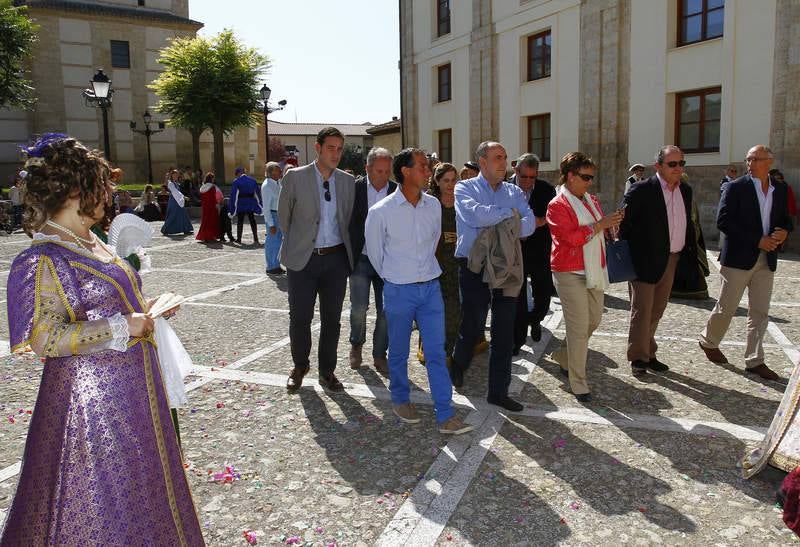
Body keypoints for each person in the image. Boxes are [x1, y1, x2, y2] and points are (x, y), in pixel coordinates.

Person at [2, 133, 203, 545]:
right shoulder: (42, 258)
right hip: (90, 402)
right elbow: (44, 338)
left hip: (135, 390)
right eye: (102, 185)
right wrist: (122, 326)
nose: (110, 194)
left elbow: (117, 301)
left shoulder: (92, 242)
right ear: (77, 192)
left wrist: (150, 309)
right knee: (104, 502)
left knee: (145, 490)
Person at [365, 148, 473, 435]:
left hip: (430, 289)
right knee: (398, 351)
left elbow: (434, 242)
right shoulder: (381, 212)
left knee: (436, 352)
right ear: (405, 171)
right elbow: (376, 256)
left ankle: (446, 414)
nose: (429, 171)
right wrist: (397, 277)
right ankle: (401, 399)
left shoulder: (434, 207)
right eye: (423, 167)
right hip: (399, 290)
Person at [450, 141, 535, 412]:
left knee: (504, 330)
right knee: (473, 323)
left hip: (507, 267)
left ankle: (498, 392)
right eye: (498, 157)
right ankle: (458, 362)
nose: (503, 162)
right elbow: (474, 216)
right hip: (473, 266)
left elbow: (529, 224)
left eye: (505, 157)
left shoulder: (514, 191)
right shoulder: (464, 187)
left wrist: (503, 218)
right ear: (482, 162)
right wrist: (510, 216)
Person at [698, 145, 793, 380]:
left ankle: (754, 360)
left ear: (769, 162)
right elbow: (724, 222)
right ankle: (708, 341)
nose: (750, 164)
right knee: (727, 307)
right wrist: (757, 240)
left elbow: (785, 219)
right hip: (739, 258)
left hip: (767, 258)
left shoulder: (779, 189)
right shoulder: (735, 187)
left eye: (756, 159)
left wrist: (784, 232)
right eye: (748, 159)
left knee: (760, 312)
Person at [278, 127, 356, 394]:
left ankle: (327, 372)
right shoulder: (295, 177)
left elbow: (348, 220)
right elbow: (284, 218)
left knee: (332, 319)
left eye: (339, 149)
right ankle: (300, 366)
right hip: (303, 260)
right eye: (331, 148)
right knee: (300, 317)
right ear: (318, 148)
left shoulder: (347, 181)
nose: (336, 154)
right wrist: (302, 244)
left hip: (335, 260)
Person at [547, 152, 623, 402]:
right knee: (579, 328)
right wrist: (599, 225)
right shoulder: (557, 205)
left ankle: (564, 356)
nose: (590, 182)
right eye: (585, 177)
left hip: (593, 269)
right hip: (568, 272)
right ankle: (578, 382)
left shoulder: (591, 200)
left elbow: (597, 231)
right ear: (570, 176)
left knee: (594, 320)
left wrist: (611, 225)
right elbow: (570, 238)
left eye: (592, 177)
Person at [620, 145, 695, 377]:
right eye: (672, 164)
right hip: (644, 260)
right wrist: (634, 256)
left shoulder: (685, 190)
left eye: (681, 163)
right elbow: (625, 227)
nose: (678, 168)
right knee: (642, 310)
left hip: (672, 257)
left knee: (657, 310)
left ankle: (648, 351)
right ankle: (639, 357)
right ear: (658, 166)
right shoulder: (641, 190)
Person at [348, 147, 396, 375]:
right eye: (379, 171)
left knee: (386, 310)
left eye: (387, 171)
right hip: (361, 258)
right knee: (358, 307)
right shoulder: (354, 189)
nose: (384, 176)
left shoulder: (397, 191)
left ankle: (379, 354)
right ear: (367, 168)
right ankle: (356, 344)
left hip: (387, 262)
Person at [510, 153, 556, 353]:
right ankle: (517, 340)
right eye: (524, 177)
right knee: (517, 298)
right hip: (514, 253)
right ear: (516, 171)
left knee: (543, 295)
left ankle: (535, 319)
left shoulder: (547, 190)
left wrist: (537, 223)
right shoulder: (505, 190)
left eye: (532, 177)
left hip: (539, 251)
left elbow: (553, 216)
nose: (528, 181)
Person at [671, 173, 710, 299]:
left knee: (686, 265)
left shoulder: (685, 196)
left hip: (686, 237)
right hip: (683, 237)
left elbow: (692, 219)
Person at [229, 166, 262, 245]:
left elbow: (234, 196)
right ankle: (256, 238)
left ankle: (239, 239)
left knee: (240, 221)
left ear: (238, 173)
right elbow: (257, 193)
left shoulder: (236, 181)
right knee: (252, 220)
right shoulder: (252, 180)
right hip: (250, 202)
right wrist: (260, 204)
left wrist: (232, 208)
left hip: (241, 202)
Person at [261, 161, 284, 274]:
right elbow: (266, 208)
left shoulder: (277, 182)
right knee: (272, 241)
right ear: (271, 172)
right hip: (273, 215)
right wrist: (270, 224)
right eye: (278, 170)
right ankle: (271, 266)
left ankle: (276, 263)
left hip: (279, 214)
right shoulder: (267, 186)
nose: (280, 171)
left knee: (278, 241)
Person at [161, 169, 193, 235]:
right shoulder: (170, 183)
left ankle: (186, 229)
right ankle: (165, 229)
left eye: (177, 175)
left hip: (178, 200)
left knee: (183, 214)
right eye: (174, 175)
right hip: (173, 201)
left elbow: (178, 192)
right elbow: (175, 192)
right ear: (172, 175)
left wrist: (182, 197)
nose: (176, 176)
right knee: (172, 215)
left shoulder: (176, 183)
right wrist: (184, 197)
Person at [196, 172, 222, 242]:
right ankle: (211, 236)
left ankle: (204, 236)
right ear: (211, 179)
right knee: (212, 221)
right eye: (213, 178)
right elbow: (213, 198)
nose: (214, 179)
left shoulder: (202, 187)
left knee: (205, 221)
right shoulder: (212, 187)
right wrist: (217, 205)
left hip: (205, 207)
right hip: (212, 207)